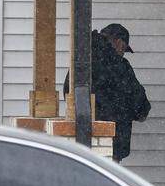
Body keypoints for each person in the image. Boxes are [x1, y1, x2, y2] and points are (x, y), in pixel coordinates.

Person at [65, 23, 151, 162]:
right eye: (123, 48)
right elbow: (138, 102)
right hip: (111, 142)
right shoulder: (119, 65)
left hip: (81, 141)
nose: (122, 53)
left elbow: (67, 91)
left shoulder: (83, 59)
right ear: (118, 42)